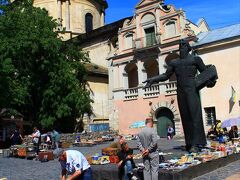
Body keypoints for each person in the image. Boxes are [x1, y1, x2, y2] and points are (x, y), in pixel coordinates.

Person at [143, 39, 217, 153]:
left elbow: (205, 73)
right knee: (185, 117)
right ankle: (189, 143)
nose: (182, 47)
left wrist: (211, 81)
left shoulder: (195, 59)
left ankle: (196, 143)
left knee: (194, 116)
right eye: (180, 45)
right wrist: (153, 79)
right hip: (181, 91)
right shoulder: (174, 62)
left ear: (188, 48)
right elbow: (165, 76)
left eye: (184, 45)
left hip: (192, 90)